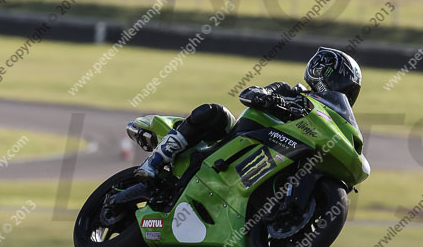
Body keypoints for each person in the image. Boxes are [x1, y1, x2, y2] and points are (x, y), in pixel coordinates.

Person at [133, 46, 362, 180]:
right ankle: (152, 163)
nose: (343, 89)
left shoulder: (326, 119)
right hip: (241, 139)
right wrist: (268, 98)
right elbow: (249, 93)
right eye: (340, 81)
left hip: (278, 157)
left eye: (348, 88)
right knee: (214, 113)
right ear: (322, 72)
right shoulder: (290, 91)